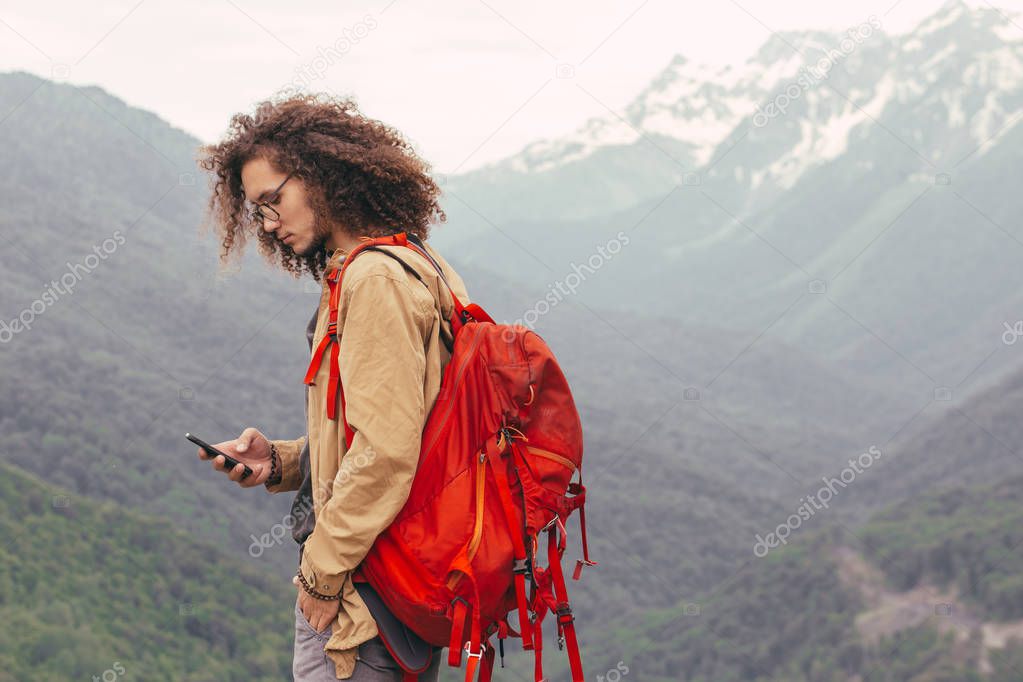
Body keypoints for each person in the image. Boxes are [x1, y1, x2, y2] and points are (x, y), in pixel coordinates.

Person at [195, 93, 470, 681]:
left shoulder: (372, 279)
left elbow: (386, 451)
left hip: (361, 598)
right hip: (392, 582)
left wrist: (320, 572)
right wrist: (285, 461)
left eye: (274, 200)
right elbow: (401, 425)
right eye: (257, 211)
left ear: (321, 177)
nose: (268, 223)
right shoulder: (414, 258)